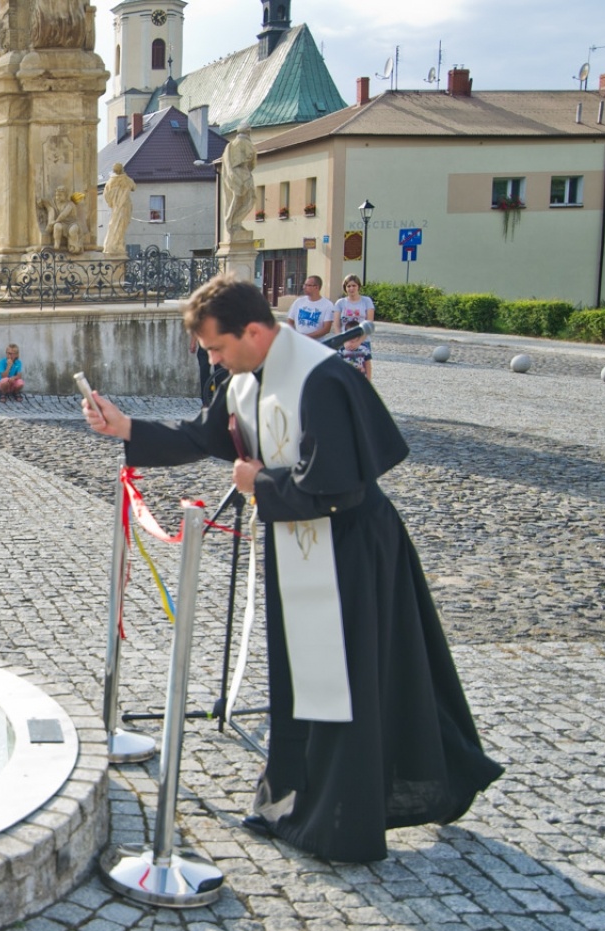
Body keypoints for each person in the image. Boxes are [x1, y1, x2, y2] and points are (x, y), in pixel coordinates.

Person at [82, 273, 502, 863]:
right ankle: (296, 801)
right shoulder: (247, 376)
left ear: (253, 330)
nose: (215, 362)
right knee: (303, 679)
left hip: (350, 550)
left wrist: (260, 483)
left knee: (349, 680)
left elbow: (341, 488)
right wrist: (124, 427)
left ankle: (338, 820)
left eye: (219, 349)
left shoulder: (322, 378)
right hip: (300, 543)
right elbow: (206, 436)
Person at [333, 275, 375, 380]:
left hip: (362, 340)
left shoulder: (366, 301)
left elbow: (369, 323)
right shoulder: (340, 303)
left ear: (358, 286)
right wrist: (341, 341)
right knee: (344, 371)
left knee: (363, 371)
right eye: (348, 286)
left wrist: (359, 341)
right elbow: (337, 324)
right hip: (345, 340)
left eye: (354, 285)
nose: (351, 288)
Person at [287, 276, 335, 340]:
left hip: (316, 344)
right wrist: (294, 335)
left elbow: (326, 329)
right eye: (304, 285)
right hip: (298, 343)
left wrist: (306, 337)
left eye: (308, 285)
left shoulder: (328, 305)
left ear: (316, 287)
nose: (304, 287)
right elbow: (290, 321)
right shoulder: (298, 302)